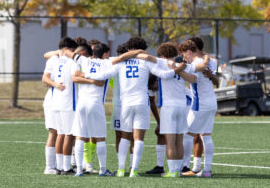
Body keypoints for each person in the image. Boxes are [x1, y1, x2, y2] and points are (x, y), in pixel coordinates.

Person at [79, 37, 186, 177]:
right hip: (142, 103)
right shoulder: (146, 61)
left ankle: (121, 169)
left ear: (128, 49)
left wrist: (85, 74)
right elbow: (163, 74)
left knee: (124, 136)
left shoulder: (120, 63)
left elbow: (103, 75)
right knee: (138, 138)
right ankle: (133, 170)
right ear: (143, 48)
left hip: (126, 104)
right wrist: (177, 70)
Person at [153, 42, 198, 178]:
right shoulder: (183, 65)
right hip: (181, 106)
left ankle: (172, 171)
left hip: (169, 107)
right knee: (179, 141)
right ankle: (178, 171)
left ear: (163, 55)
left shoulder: (163, 64)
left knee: (170, 141)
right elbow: (193, 79)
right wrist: (180, 69)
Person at [71, 43, 113, 177]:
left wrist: (84, 75)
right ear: (105, 54)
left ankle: (78, 170)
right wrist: (94, 80)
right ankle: (103, 169)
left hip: (81, 103)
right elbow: (100, 81)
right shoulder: (107, 64)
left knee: (80, 136)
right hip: (96, 103)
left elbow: (75, 73)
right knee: (100, 137)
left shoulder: (85, 60)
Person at [180, 40, 217, 178]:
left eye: (184, 55)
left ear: (189, 52)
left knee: (186, 134)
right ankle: (205, 170)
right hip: (212, 102)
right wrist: (207, 57)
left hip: (199, 104)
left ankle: (183, 166)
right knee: (206, 136)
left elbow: (194, 77)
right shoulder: (212, 61)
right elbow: (211, 66)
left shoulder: (195, 64)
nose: (184, 58)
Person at [42, 37, 79, 175]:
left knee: (60, 133)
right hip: (63, 102)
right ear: (69, 49)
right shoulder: (70, 60)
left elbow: (46, 77)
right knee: (62, 133)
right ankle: (59, 167)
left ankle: (60, 166)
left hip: (56, 101)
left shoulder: (55, 59)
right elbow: (45, 79)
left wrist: (55, 84)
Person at [41, 51, 59, 175]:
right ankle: (49, 167)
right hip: (53, 101)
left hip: (65, 102)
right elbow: (44, 79)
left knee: (66, 134)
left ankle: (63, 165)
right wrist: (56, 85)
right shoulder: (54, 59)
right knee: (54, 133)